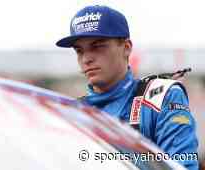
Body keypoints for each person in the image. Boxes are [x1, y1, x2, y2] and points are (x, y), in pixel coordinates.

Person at [56, 5, 199, 169]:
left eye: (97, 46)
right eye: (79, 50)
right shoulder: (73, 113)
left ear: (126, 47)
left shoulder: (161, 97)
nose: (86, 58)